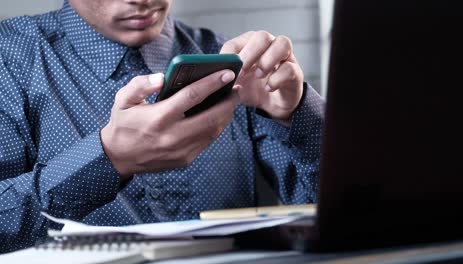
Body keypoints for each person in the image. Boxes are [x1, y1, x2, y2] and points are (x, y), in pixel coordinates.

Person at [0, 0, 324, 253]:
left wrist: (295, 115)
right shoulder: (9, 59)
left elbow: (352, 213)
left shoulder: (237, 63)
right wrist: (108, 159)